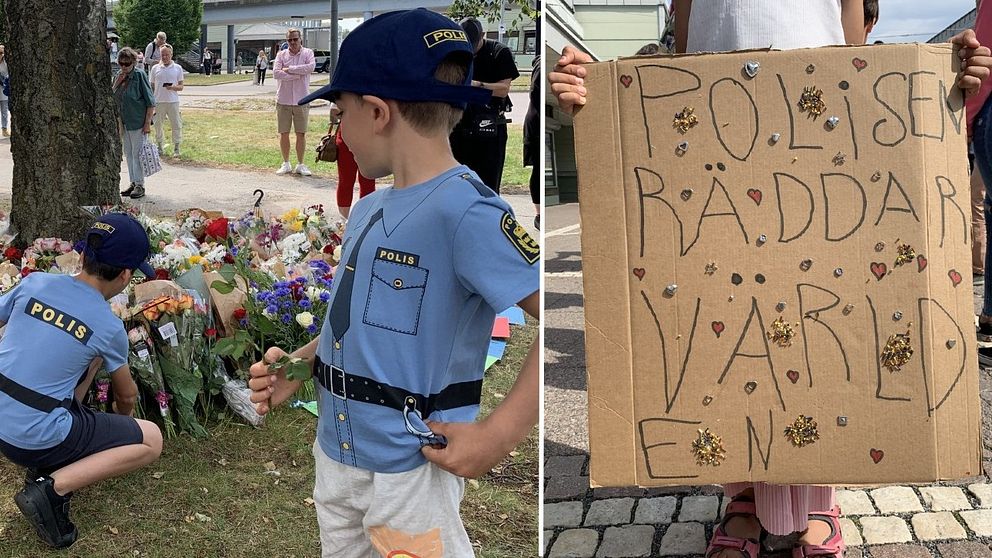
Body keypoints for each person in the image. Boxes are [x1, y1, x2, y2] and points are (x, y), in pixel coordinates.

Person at [551, 1, 992, 555]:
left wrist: (947, 77)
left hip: (819, 137)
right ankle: (742, 494)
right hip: (714, 136)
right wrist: (599, 90)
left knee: (815, 315)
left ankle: (816, 494)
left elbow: (854, 62)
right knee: (728, 317)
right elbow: (679, 55)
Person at [253, 9, 540, 556]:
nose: (338, 134)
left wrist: (498, 437)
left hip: (410, 470)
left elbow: (572, 319)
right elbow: (353, 321)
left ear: (378, 111)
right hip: (336, 455)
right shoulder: (369, 210)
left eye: (340, 115)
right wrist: (302, 364)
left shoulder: (467, 213)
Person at [0, 213, 164, 549]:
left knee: (92, 358)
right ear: (125, 275)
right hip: (33, 436)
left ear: (84, 255)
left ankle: (53, 451)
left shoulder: (36, 282)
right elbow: (127, 396)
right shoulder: (107, 326)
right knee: (151, 439)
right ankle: (51, 488)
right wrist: (118, 433)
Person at [449, 17, 519, 195]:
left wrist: (475, 85)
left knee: (488, 186)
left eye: (473, 45)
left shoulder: (498, 52)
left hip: (489, 128)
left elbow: (503, 89)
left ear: (483, 35)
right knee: (458, 184)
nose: (470, 51)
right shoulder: (457, 53)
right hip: (460, 127)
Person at [113, 48, 156, 200]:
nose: (124, 66)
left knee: (137, 154)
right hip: (124, 121)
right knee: (129, 154)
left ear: (133, 62)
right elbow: (114, 96)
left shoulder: (139, 75)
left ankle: (140, 184)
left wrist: (147, 123)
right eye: (121, 63)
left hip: (138, 121)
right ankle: (133, 182)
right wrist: (117, 82)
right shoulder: (119, 75)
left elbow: (150, 102)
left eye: (127, 63)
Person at [273, 28, 315, 176]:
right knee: (283, 133)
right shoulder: (281, 54)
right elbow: (276, 73)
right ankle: (286, 163)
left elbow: (310, 67)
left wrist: (290, 69)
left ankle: (301, 164)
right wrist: (297, 75)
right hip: (283, 99)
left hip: (302, 99)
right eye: (289, 40)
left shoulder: (308, 53)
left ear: (300, 39)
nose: (292, 42)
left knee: (301, 133)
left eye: (295, 39)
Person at [328, 104, 376, 219]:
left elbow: (334, 111)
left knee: (360, 179)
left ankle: (355, 219)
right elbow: (334, 110)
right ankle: (351, 220)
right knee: (354, 180)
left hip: (358, 136)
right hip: (354, 138)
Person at [149, 44, 184, 158]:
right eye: (162, 55)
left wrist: (173, 87)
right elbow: (152, 86)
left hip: (173, 101)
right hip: (158, 101)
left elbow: (181, 87)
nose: (164, 57)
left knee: (176, 124)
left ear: (171, 55)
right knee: (158, 124)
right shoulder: (155, 68)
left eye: (167, 55)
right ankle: (160, 146)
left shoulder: (177, 68)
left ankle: (176, 147)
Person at [523, 55, 540, 229]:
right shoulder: (542, 67)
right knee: (538, 169)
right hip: (536, 126)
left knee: (538, 170)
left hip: (536, 123)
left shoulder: (539, 65)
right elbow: (536, 95)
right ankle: (539, 214)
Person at [0, 44, 9, 137]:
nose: (1, 55)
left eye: (2, 53)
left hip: (4, 90)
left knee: (4, 111)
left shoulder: (6, 63)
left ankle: (4, 129)